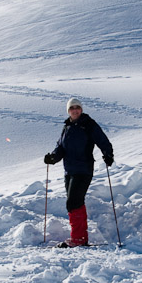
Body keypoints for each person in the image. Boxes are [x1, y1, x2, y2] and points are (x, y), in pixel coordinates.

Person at [44, 97, 115, 247]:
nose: (75, 110)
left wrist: (108, 154)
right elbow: (60, 148)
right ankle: (80, 237)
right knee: (75, 203)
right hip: (69, 170)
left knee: (73, 202)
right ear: (68, 111)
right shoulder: (67, 127)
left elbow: (102, 140)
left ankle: (78, 238)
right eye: (72, 108)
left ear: (81, 109)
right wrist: (52, 158)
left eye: (77, 107)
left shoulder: (88, 124)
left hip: (83, 169)